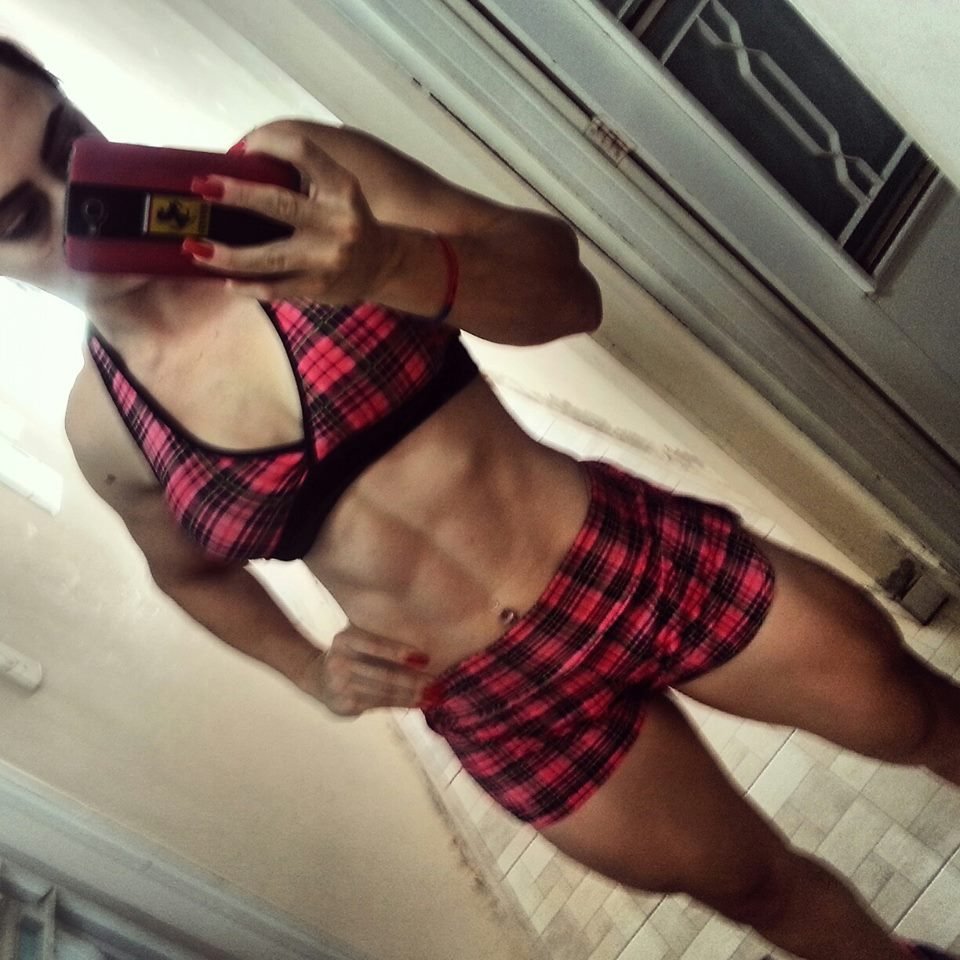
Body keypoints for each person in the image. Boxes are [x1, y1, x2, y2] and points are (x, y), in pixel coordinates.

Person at [2, 38, 957, 960]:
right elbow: (189, 574)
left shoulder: (295, 185)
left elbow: (566, 291)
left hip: (618, 552)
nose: (75, 207)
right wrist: (310, 670)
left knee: (906, 710)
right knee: (755, 890)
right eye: (17, 218)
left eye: (68, 146)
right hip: (501, 706)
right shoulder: (106, 429)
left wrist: (389, 264)